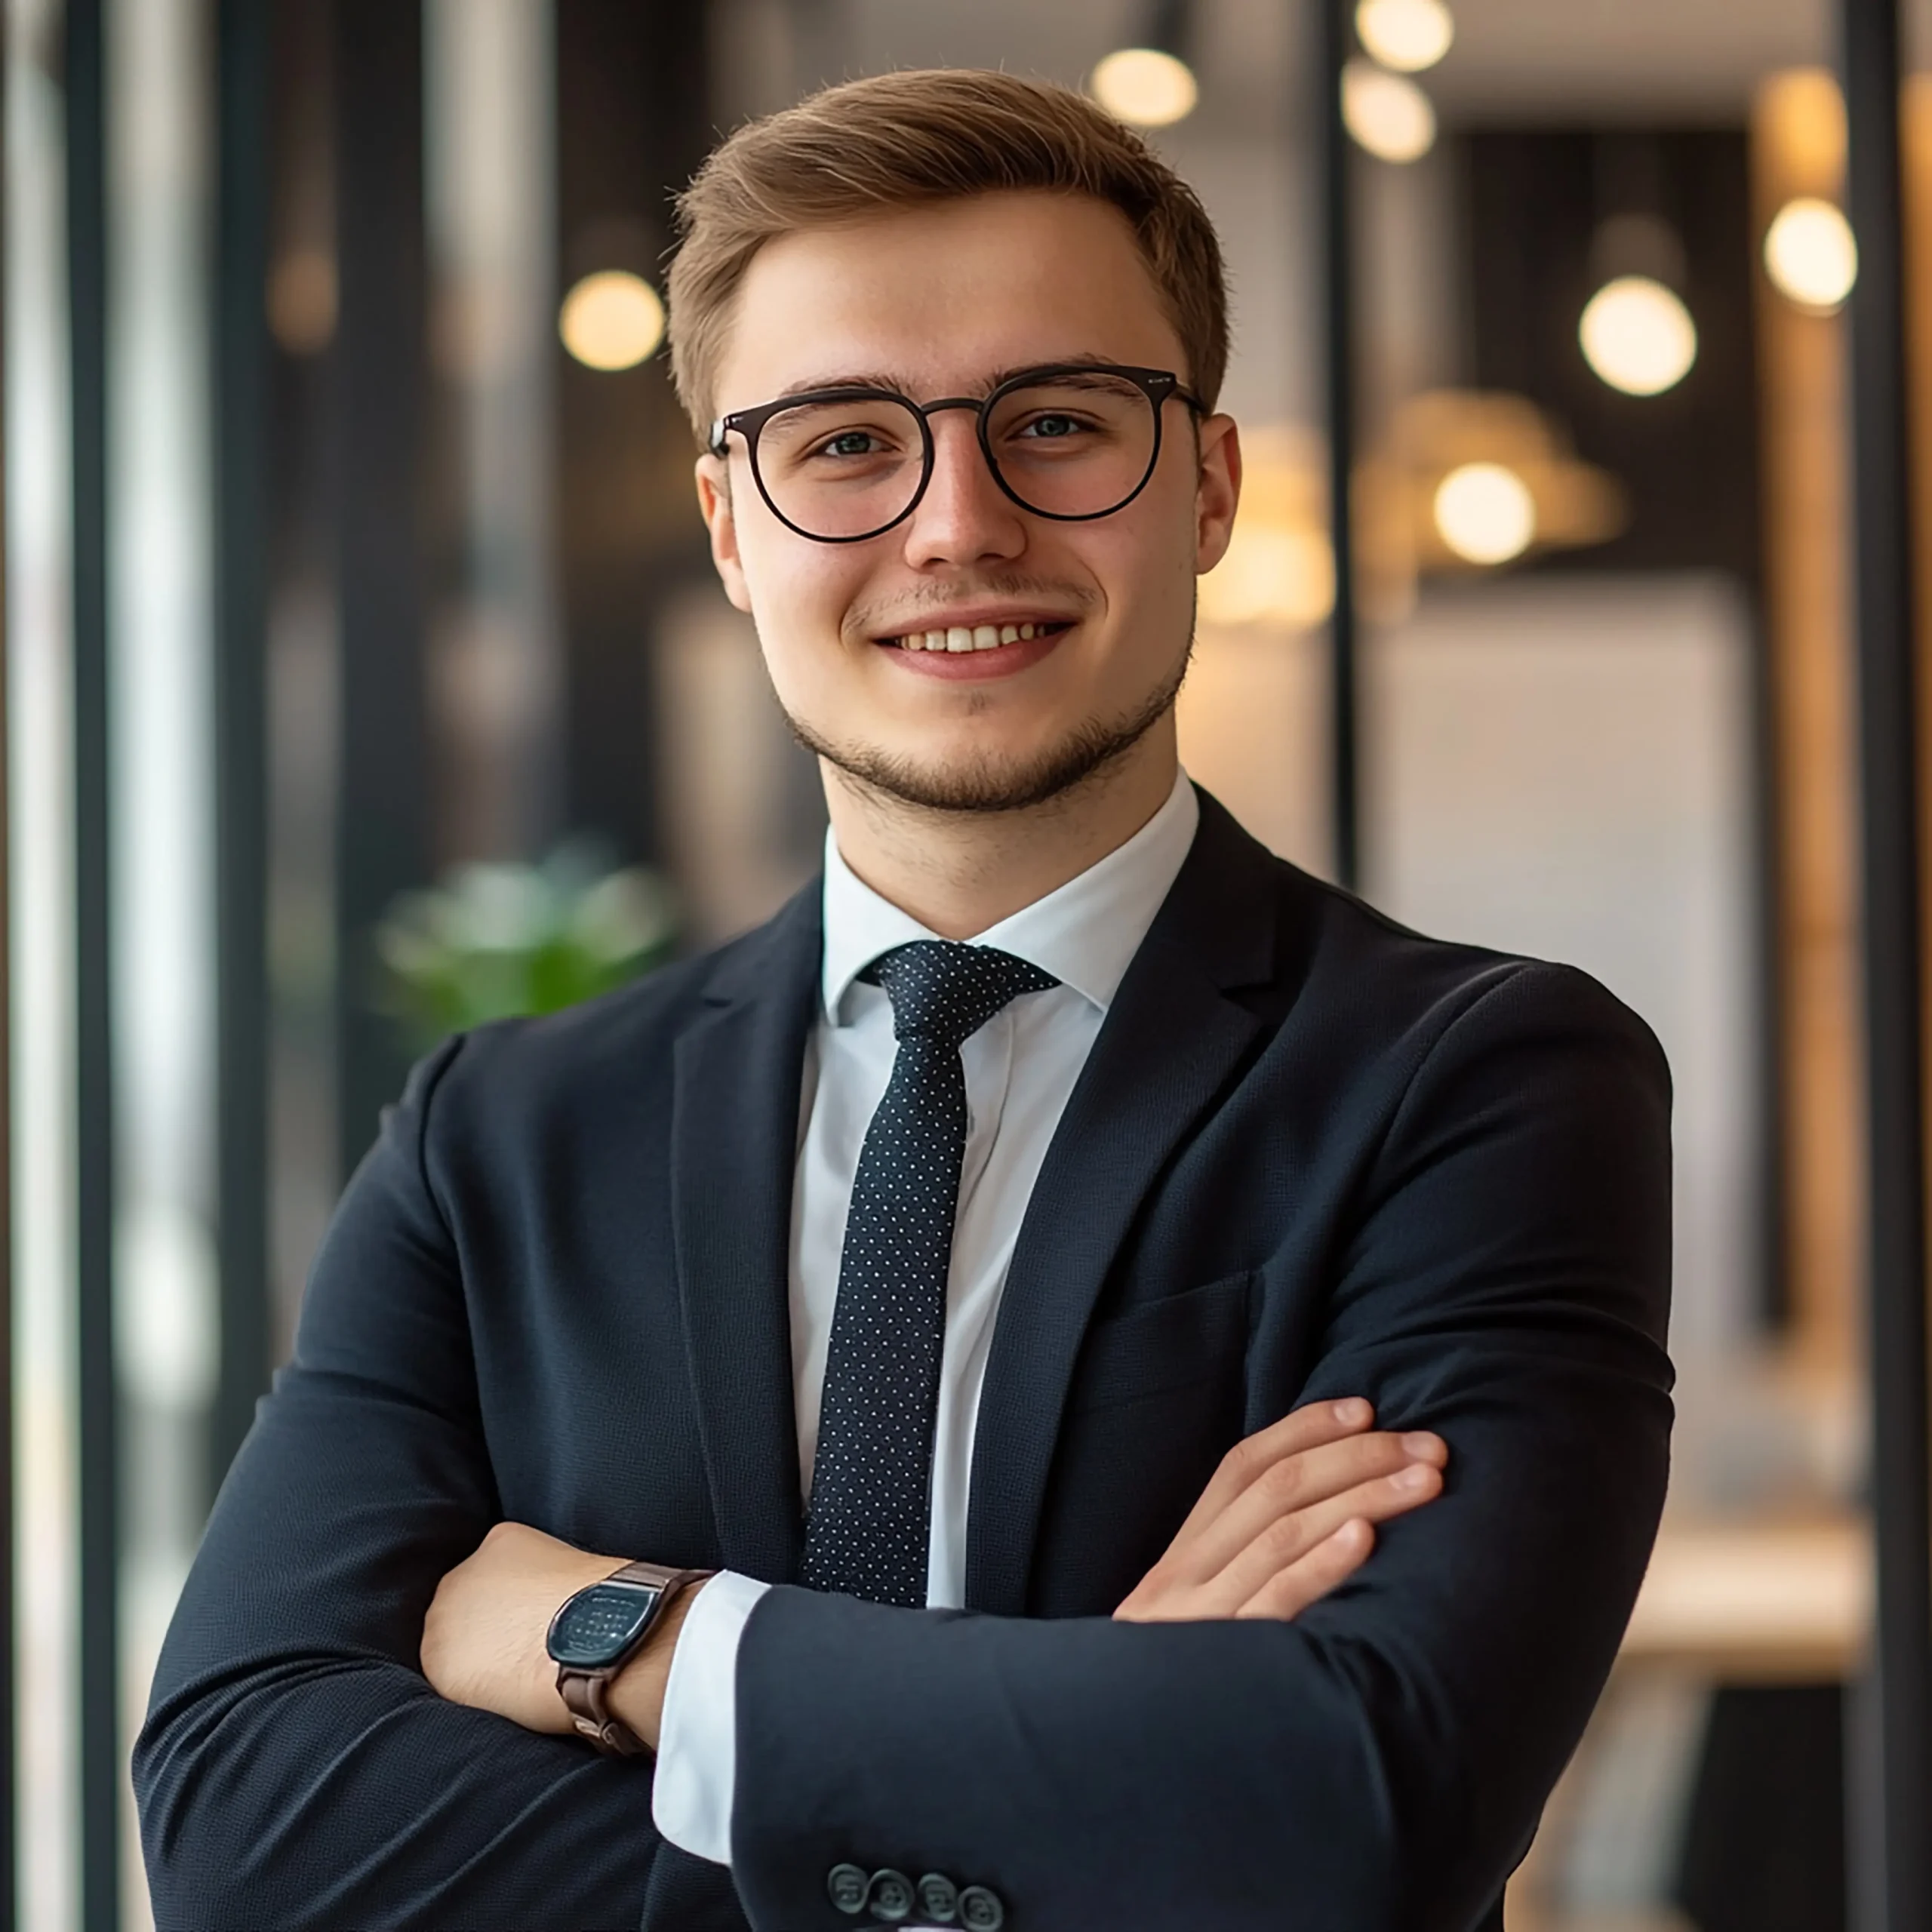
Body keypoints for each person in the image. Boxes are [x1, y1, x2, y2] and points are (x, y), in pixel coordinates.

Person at [135, 68, 1673, 1932]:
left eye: (1055, 420)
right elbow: (244, 1826)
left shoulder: (1478, 1084)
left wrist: (625, 1640)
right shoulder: (498, 1140)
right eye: (847, 441)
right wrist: (1092, 1776)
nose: (957, 522)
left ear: (1205, 486)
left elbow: (1357, 1809)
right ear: (728, 525)